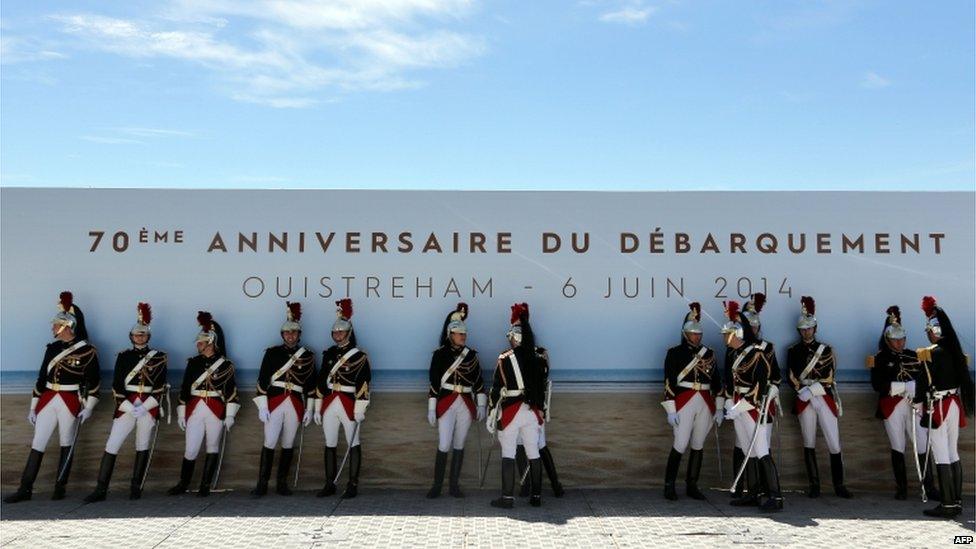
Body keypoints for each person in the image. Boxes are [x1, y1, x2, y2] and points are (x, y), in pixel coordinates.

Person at [4, 292, 101, 503]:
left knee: (66, 441)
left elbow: (93, 383)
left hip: (70, 399)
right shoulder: (52, 349)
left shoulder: (88, 351)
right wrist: (33, 406)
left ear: (66, 326)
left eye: (55, 324)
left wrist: (90, 407)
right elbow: (41, 378)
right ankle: (25, 488)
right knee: (38, 442)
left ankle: (60, 487)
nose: (52, 328)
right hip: (48, 397)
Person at [85, 303, 168, 502]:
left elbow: (159, 386)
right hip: (127, 403)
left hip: (148, 405)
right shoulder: (123, 357)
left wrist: (145, 407)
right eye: (136, 335)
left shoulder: (159, 357)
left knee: (142, 444)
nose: (140, 338)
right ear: (131, 336)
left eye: (143, 335)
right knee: (112, 444)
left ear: (148, 337)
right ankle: (101, 489)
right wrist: (130, 406)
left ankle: (136, 487)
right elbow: (117, 384)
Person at [914, 296, 974, 518]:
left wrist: (919, 407)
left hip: (938, 406)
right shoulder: (955, 352)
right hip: (953, 404)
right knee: (953, 452)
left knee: (941, 455)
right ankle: (956, 502)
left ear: (933, 331)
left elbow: (922, 383)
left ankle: (947, 505)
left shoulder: (930, 353)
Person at [869, 305, 938, 500]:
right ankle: (902, 488)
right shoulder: (879, 358)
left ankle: (929, 486)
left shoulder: (914, 355)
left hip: (914, 404)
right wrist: (903, 387)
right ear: (887, 339)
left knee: (923, 443)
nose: (899, 343)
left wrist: (915, 389)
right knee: (897, 445)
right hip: (892, 405)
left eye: (901, 339)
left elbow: (924, 379)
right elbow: (877, 385)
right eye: (895, 340)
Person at [786, 296, 852, 499]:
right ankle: (814, 485)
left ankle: (839, 485)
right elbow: (791, 375)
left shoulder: (827, 350)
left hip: (823, 396)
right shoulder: (793, 350)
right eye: (803, 329)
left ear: (815, 328)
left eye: (809, 328)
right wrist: (801, 390)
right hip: (804, 397)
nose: (806, 332)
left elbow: (830, 376)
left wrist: (812, 390)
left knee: (834, 441)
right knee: (808, 441)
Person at [168, 312, 240, 497]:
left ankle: (205, 485)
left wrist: (230, 414)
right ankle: (183, 483)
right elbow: (185, 388)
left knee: (212, 446)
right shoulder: (193, 363)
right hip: (194, 407)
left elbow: (231, 390)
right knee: (191, 448)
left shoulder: (226, 365)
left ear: (211, 342)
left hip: (215, 408)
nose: (198, 345)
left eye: (201, 342)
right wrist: (181, 412)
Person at [722, 300, 783, 512]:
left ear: (737, 336)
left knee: (761, 450)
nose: (724, 338)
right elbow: (732, 383)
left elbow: (760, 386)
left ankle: (775, 496)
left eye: (727, 335)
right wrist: (729, 401)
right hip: (739, 407)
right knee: (749, 450)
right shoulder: (735, 354)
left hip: (754, 409)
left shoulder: (756, 354)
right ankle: (754, 492)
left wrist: (740, 406)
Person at [252, 302, 317, 497]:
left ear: (299, 335)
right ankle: (262, 484)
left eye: (294, 333)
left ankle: (282, 483)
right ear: (283, 335)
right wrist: (262, 406)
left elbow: (311, 384)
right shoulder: (272, 353)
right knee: (270, 441)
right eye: (287, 333)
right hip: (275, 400)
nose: (291, 336)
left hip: (296, 402)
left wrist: (310, 409)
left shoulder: (307, 355)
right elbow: (263, 379)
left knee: (288, 443)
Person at [487, 303, 547, 508]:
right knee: (533, 452)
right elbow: (542, 389)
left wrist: (490, 413)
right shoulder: (539, 358)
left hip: (511, 411)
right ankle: (536, 497)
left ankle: (507, 498)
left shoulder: (505, 359)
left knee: (508, 453)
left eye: (511, 336)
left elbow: (496, 389)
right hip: (532, 412)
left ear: (515, 337)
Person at [661, 302, 723, 500]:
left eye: (699, 333)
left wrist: (720, 408)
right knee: (680, 443)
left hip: (704, 401)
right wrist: (671, 409)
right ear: (685, 333)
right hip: (684, 401)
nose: (697, 336)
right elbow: (669, 382)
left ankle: (692, 485)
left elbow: (717, 382)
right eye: (693, 333)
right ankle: (669, 485)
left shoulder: (710, 353)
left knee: (698, 444)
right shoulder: (674, 353)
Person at [312, 298, 371, 499]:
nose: (337, 335)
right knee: (330, 443)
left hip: (349, 401)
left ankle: (353, 484)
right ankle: (330, 483)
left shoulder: (359, 356)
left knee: (353, 442)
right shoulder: (328, 353)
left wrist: (360, 408)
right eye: (335, 332)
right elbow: (321, 380)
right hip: (330, 402)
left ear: (349, 333)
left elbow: (364, 382)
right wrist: (317, 406)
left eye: (341, 332)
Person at [426, 303, 486, 498]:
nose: (463, 336)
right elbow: (434, 382)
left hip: (466, 403)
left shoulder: (472, 356)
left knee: (459, 443)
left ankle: (453, 486)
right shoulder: (439, 355)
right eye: (459, 333)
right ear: (450, 333)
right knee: (444, 443)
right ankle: (437, 486)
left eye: (464, 334)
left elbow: (478, 382)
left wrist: (482, 403)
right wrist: (431, 407)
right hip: (446, 402)